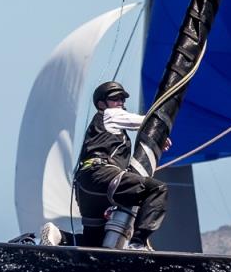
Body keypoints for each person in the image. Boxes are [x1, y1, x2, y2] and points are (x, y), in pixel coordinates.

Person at [40, 80, 168, 250]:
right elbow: (148, 121)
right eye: (116, 98)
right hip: (101, 175)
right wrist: (159, 132)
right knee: (157, 189)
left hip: (86, 187)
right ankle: (138, 243)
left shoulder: (106, 127)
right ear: (102, 104)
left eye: (123, 99)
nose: (121, 103)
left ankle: (58, 235)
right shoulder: (109, 115)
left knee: (92, 245)